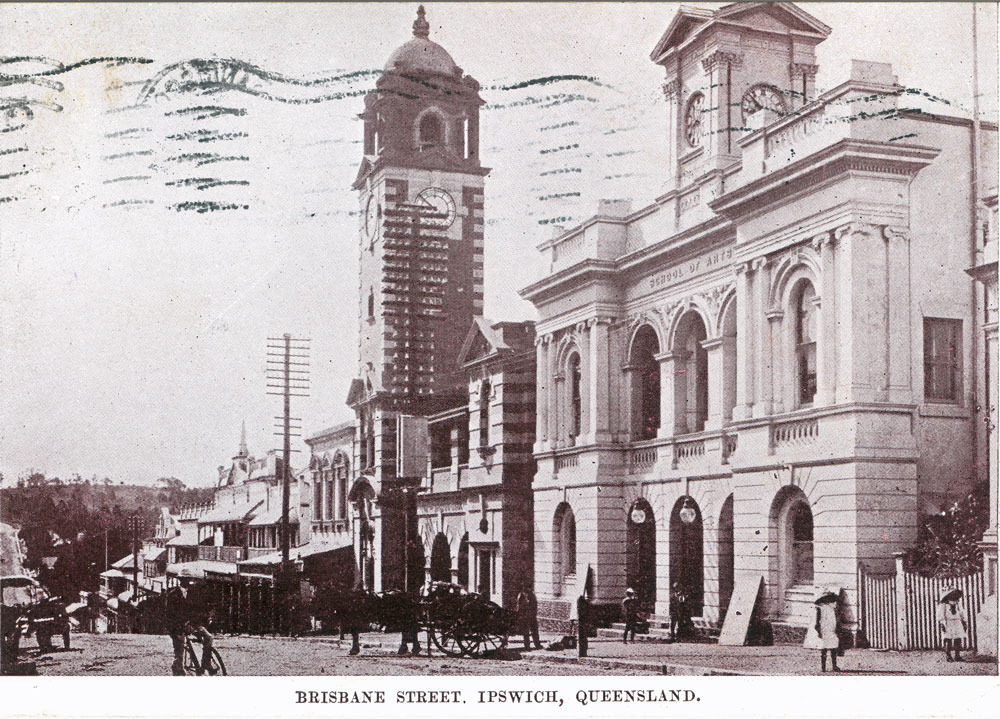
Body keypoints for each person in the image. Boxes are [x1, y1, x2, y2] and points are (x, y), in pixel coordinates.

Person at [164, 580, 215, 675]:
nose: (189, 582)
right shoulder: (173, 595)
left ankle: (206, 663)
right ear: (181, 579)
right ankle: (178, 668)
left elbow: (197, 609)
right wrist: (182, 625)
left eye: (190, 579)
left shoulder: (193, 592)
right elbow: (171, 614)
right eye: (186, 578)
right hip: (177, 626)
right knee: (180, 645)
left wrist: (204, 618)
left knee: (209, 637)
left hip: (192, 624)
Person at [803, 588, 840, 672]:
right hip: (824, 629)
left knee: (833, 648)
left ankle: (834, 666)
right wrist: (818, 630)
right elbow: (817, 620)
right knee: (824, 649)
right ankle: (823, 667)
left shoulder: (832, 608)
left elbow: (834, 619)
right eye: (828, 598)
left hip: (831, 629)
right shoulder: (820, 608)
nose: (830, 600)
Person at [936, 588, 968, 662]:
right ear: (949, 595)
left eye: (956, 595)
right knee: (948, 639)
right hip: (948, 622)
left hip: (957, 622)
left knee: (958, 639)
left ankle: (957, 656)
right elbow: (941, 615)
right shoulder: (943, 605)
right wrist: (942, 624)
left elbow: (962, 613)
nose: (955, 596)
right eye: (953, 595)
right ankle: (948, 656)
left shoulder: (958, 604)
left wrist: (964, 622)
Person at [576, 592, 591, 658]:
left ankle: (582, 652)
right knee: (583, 639)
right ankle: (583, 652)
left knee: (582, 639)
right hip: (583, 624)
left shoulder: (580, 607)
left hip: (581, 624)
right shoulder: (584, 607)